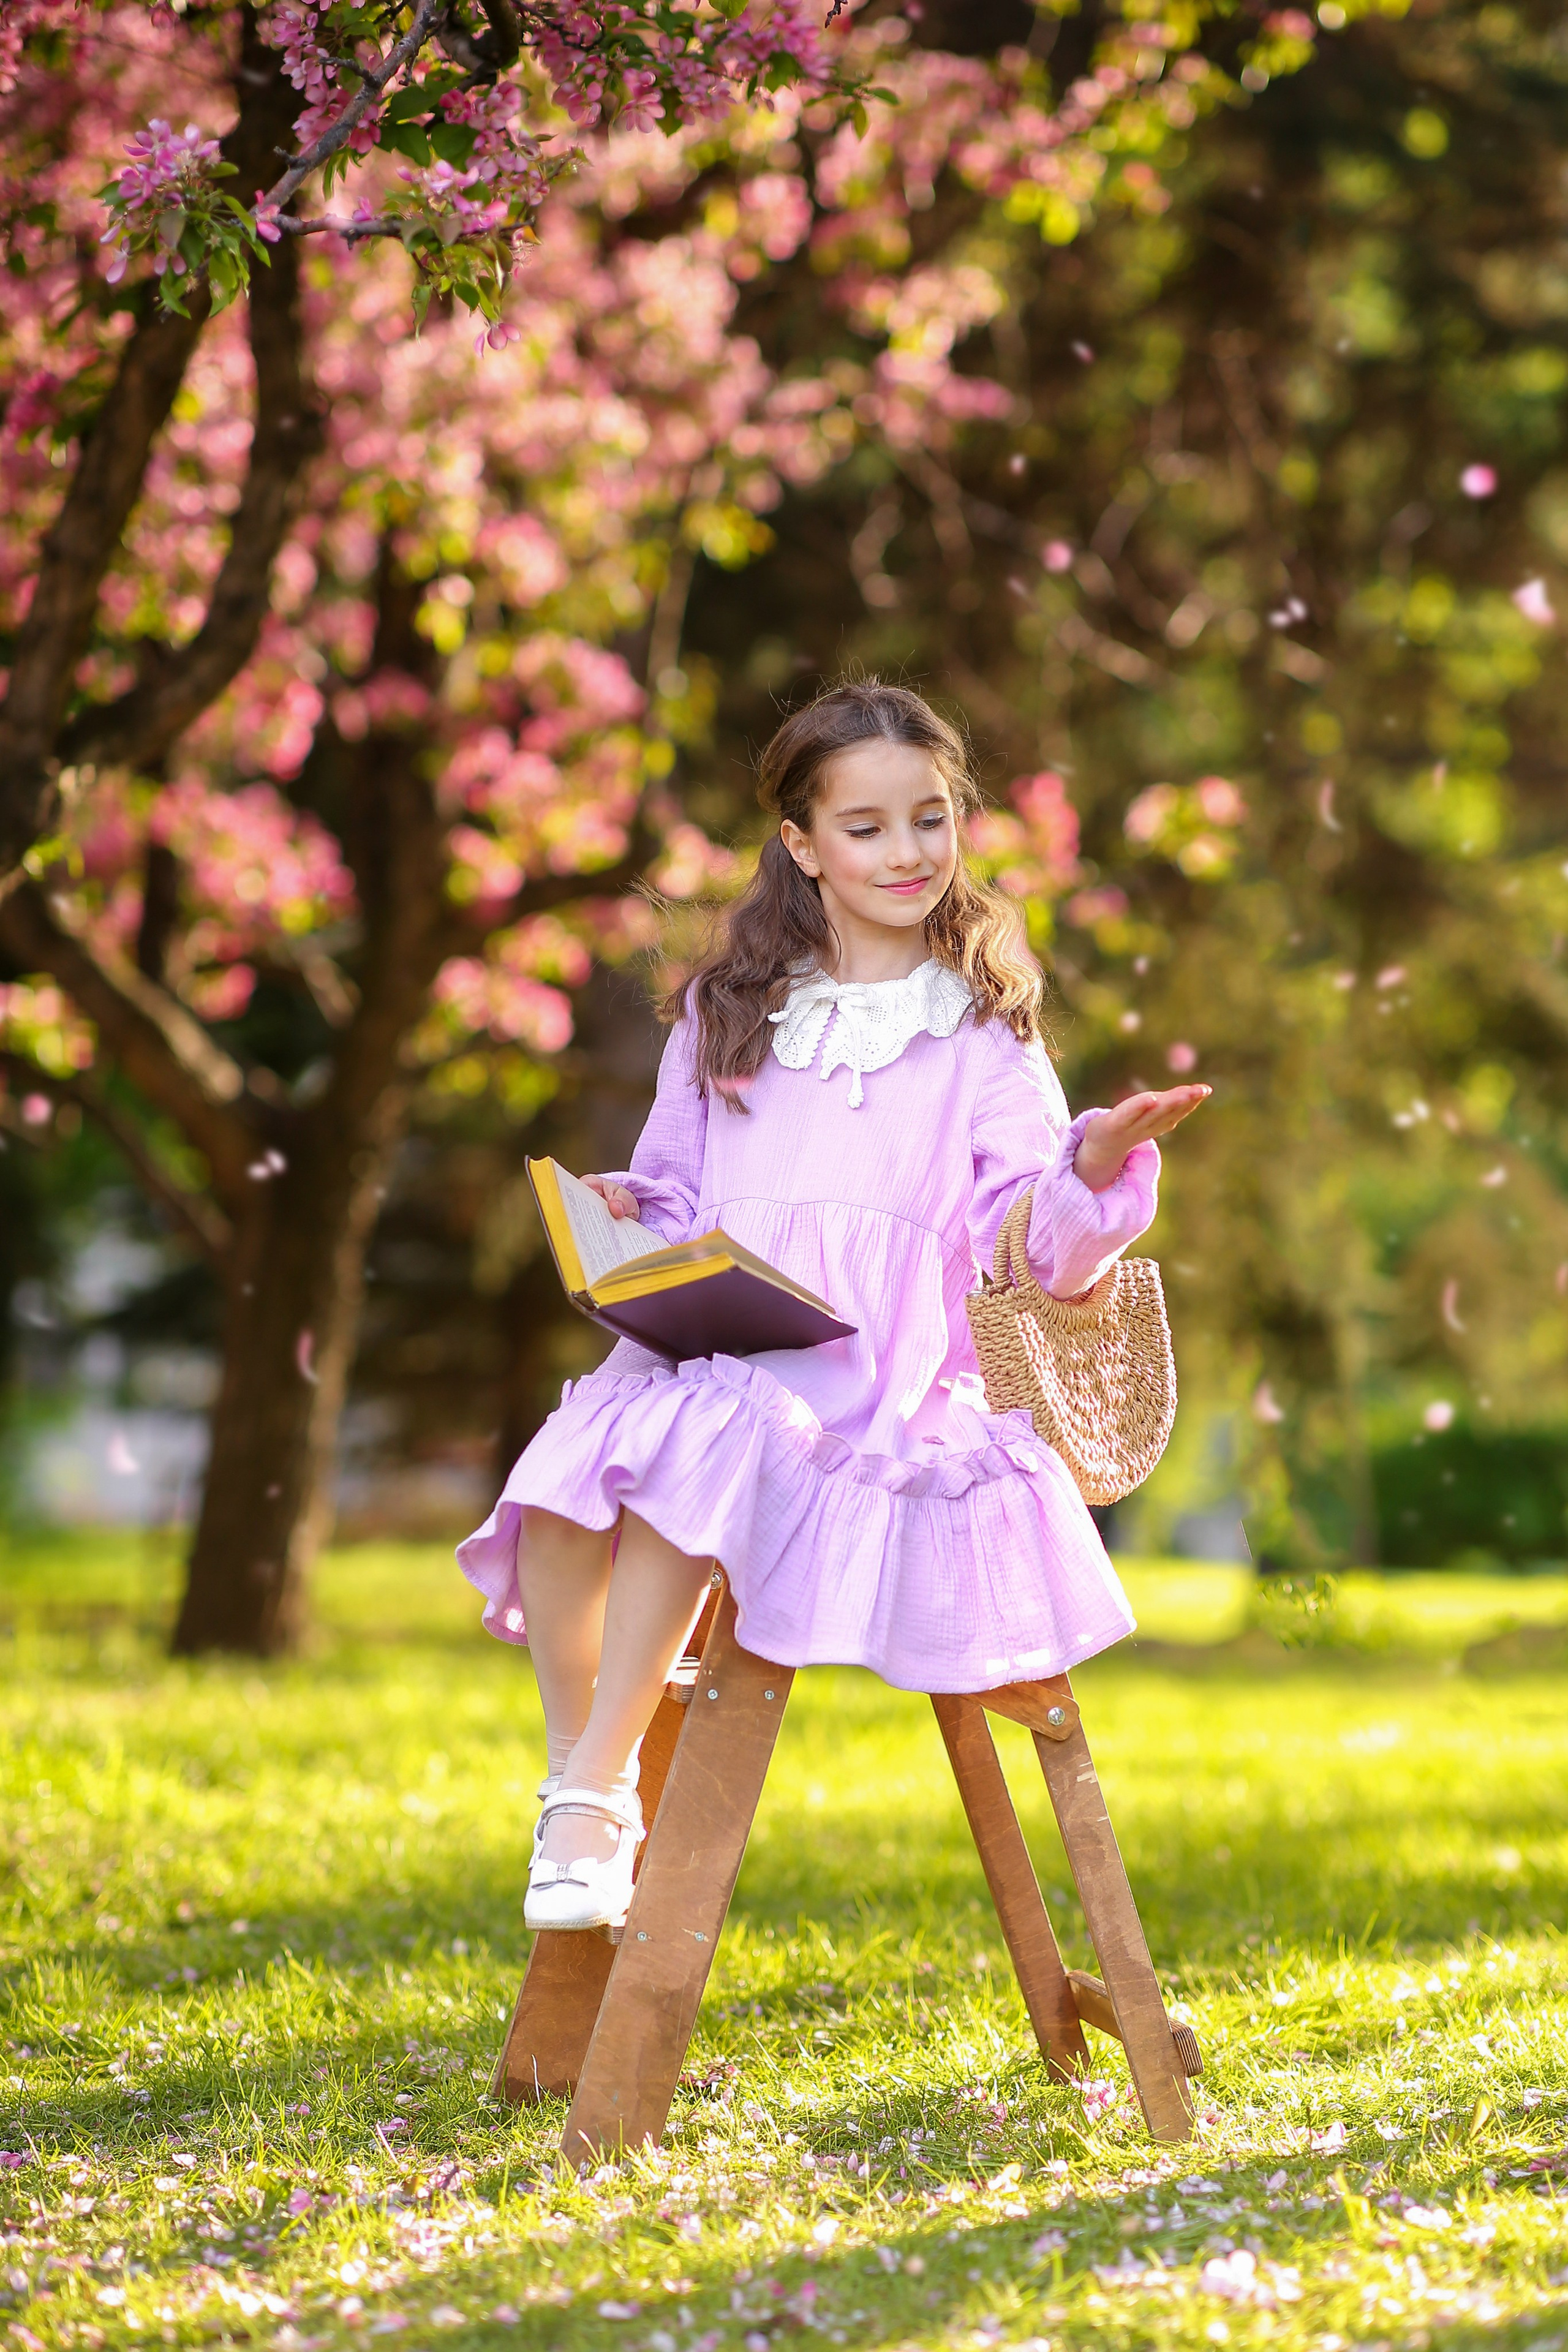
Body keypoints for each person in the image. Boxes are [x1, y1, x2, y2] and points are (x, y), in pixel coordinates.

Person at [458, 680, 1207, 1932]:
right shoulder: (723, 1010)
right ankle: (580, 1783)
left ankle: (588, 1792)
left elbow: (1025, 1245)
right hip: (714, 1333)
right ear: (801, 845)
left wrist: (1085, 1173)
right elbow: (680, 1184)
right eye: (865, 827)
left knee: (704, 1435)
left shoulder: (980, 1031)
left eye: (929, 818)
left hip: (868, 1373)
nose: (906, 851)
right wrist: (627, 1214)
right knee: (564, 1465)